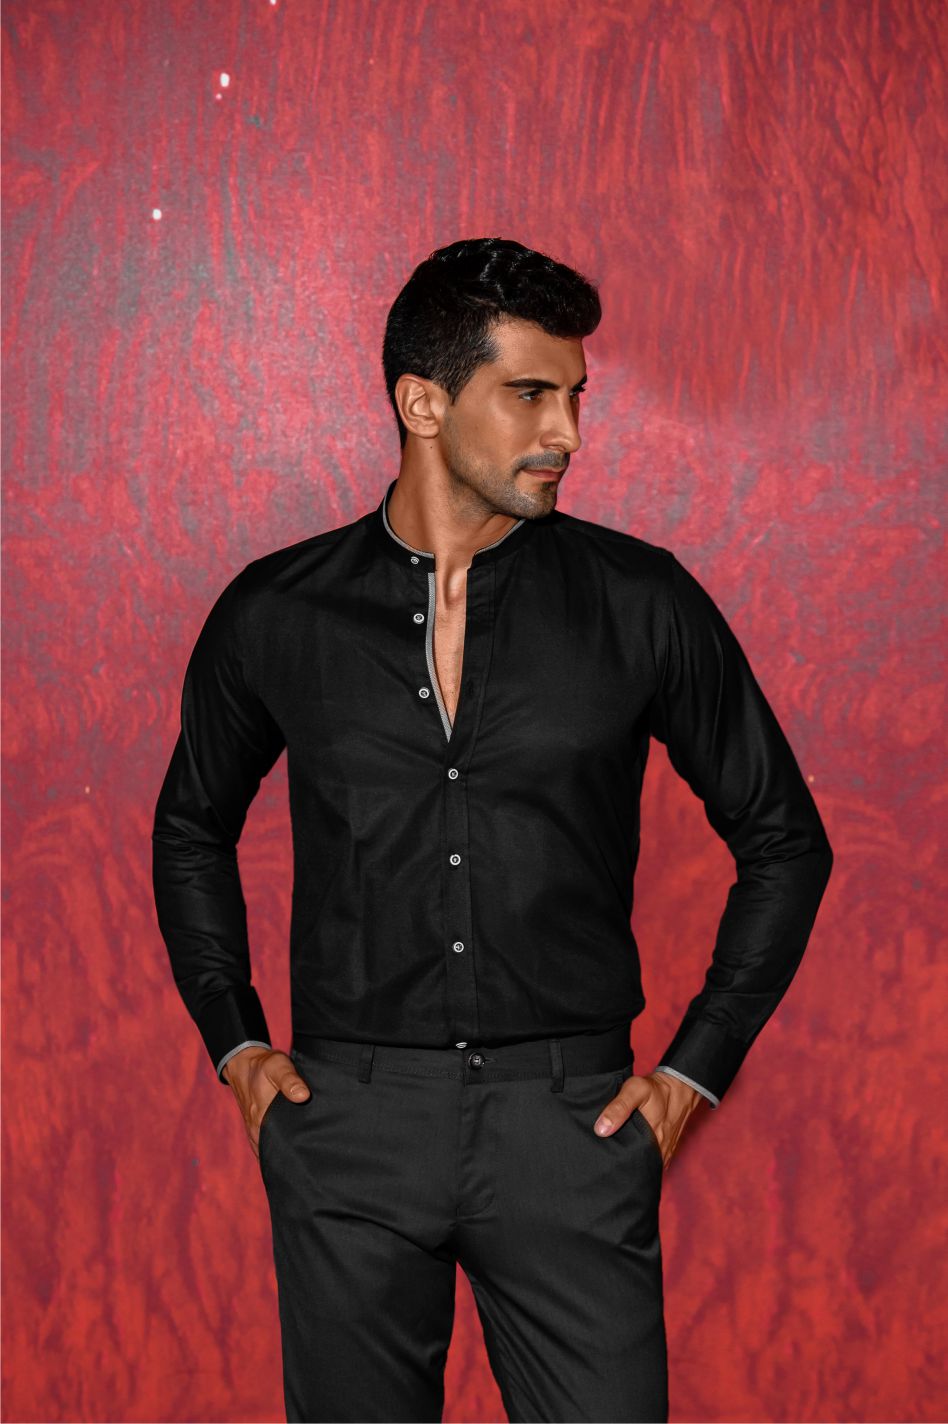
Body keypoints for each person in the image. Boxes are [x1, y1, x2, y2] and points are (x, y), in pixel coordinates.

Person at [152, 236, 833, 1424]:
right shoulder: (278, 612)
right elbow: (190, 827)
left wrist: (692, 1073)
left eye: (574, 396)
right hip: (349, 1120)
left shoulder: (643, 601)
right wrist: (236, 1042)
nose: (565, 430)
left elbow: (785, 838)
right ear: (422, 401)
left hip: (569, 1123)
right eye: (529, 393)